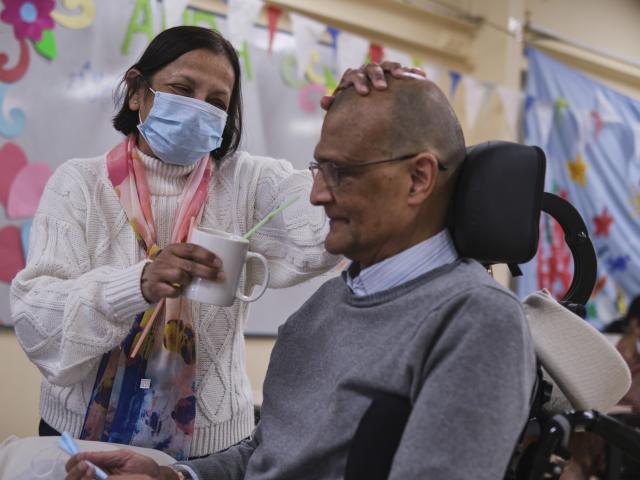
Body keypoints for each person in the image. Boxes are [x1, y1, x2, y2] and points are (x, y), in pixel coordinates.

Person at [65, 74, 536, 479]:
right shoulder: (325, 308)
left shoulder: (476, 322)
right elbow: (268, 456)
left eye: (340, 172)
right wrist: (175, 474)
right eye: (318, 168)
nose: (315, 194)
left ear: (418, 179)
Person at [9, 25, 411, 460]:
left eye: (217, 102)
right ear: (136, 93)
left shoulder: (247, 182)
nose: (198, 109)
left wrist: (379, 115)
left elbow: (325, 213)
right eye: (182, 89)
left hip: (210, 450)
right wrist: (138, 284)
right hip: (81, 436)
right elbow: (37, 319)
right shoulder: (79, 184)